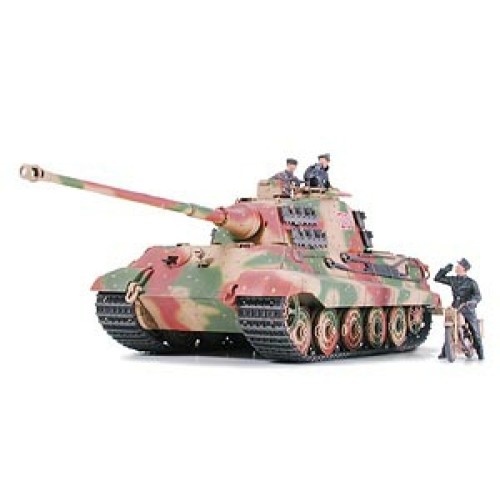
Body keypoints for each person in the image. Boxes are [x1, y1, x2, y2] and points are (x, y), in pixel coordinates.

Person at [434, 258, 483, 360]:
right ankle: (446, 351)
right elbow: (437, 278)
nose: (456, 267)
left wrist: (472, 302)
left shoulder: (471, 282)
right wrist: (445, 270)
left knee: (474, 330)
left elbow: (478, 296)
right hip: (455, 307)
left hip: (467, 308)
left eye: (459, 265)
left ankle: (480, 352)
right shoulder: (453, 280)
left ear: (463, 268)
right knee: (450, 326)